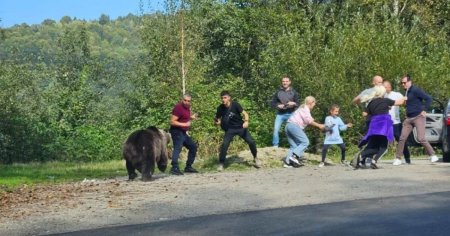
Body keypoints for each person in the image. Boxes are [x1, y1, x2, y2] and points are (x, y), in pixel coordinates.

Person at [352, 85, 405, 169]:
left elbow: (365, 114)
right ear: (382, 93)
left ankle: (362, 156)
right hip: (383, 126)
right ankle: (369, 159)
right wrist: (405, 98)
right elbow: (400, 102)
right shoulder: (385, 100)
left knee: (374, 146)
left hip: (373, 125)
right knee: (384, 147)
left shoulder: (370, 103)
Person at [393, 75, 439, 165]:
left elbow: (428, 98)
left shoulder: (415, 90)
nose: (403, 84)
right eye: (402, 83)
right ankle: (398, 158)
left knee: (420, 138)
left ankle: (433, 155)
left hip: (418, 117)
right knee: (402, 138)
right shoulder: (406, 91)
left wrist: (425, 110)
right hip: (409, 119)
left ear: (410, 82)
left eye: (404, 82)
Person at [214, 91, 260, 171]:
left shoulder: (235, 105)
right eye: (222, 98)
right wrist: (217, 122)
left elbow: (245, 114)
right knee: (224, 145)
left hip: (240, 127)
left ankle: (255, 158)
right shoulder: (220, 108)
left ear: (229, 98)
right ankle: (221, 164)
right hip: (229, 130)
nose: (223, 100)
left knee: (251, 141)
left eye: (225, 98)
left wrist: (246, 121)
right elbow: (217, 120)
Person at [283, 96, 325, 168]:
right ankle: (294, 157)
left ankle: (287, 163)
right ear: (311, 103)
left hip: (288, 126)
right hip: (294, 126)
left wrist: (316, 123)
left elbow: (308, 119)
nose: (314, 105)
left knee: (294, 146)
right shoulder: (305, 109)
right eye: (314, 103)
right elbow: (308, 121)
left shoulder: (302, 108)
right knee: (305, 142)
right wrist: (319, 125)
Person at [169, 94, 199, 175]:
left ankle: (188, 167)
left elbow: (183, 118)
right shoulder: (178, 108)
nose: (186, 102)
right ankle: (174, 168)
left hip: (183, 132)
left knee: (193, 147)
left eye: (188, 101)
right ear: (182, 100)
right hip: (176, 131)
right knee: (178, 148)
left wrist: (191, 118)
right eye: (185, 100)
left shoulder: (187, 108)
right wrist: (185, 125)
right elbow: (172, 121)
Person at [383, 81, 411, 164]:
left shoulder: (397, 94)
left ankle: (407, 157)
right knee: (380, 139)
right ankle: (373, 158)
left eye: (386, 87)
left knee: (400, 139)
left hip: (395, 122)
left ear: (390, 87)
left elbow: (406, 102)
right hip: (384, 122)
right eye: (383, 87)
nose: (384, 88)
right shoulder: (381, 95)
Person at [270, 76, 300, 148]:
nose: (285, 83)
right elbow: (273, 103)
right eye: (283, 81)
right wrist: (278, 105)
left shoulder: (294, 92)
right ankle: (275, 145)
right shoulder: (278, 92)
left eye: (286, 81)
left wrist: (294, 103)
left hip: (291, 114)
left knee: (292, 130)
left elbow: (298, 103)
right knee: (276, 129)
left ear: (289, 82)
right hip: (280, 114)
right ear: (282, 82)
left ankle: (294, 146)